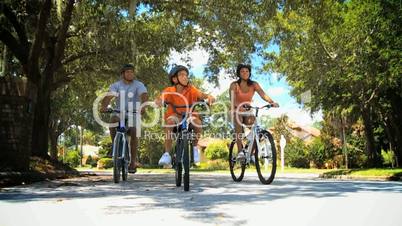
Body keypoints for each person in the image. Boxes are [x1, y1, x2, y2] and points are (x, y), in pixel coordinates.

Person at [155, 65, 215, 166]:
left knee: (197, 122)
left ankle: (195, 149)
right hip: (175, 116)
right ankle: (167, 154)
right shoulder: (169, 90)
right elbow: (160, 98)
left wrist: (210, 97)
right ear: (174, 79)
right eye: (182, 75)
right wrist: (158, 102)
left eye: (186, 75)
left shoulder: (191, 89)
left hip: (189, 115)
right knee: (169, 122)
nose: (185, 77)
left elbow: (202, 95)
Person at [100, 64, 148, 173]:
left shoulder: (138, 85)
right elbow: (109, 96)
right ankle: (115, 146)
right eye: (127, 72)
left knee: (134, 132)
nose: (130, 74)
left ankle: (132, 162)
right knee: (113, 120)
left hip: (133, 113)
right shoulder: (116, 85)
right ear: (123, 74)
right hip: (119, 111)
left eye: (132, 72)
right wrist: (103, 106)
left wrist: (143, 106)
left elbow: (144, 95)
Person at [229, 63, 279, 159]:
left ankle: (250, 153)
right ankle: (240, 152)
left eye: (247, 71)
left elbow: (263, 94)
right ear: (239, 73)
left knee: (257, 130)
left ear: (250, 73)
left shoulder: (254, 84)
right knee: (238, 121)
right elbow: (232, 99)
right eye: (242, 71)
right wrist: (237, 106)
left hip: (248, 111)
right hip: (235, 110)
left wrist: (272, 102)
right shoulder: (234, 85)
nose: (245, 73)